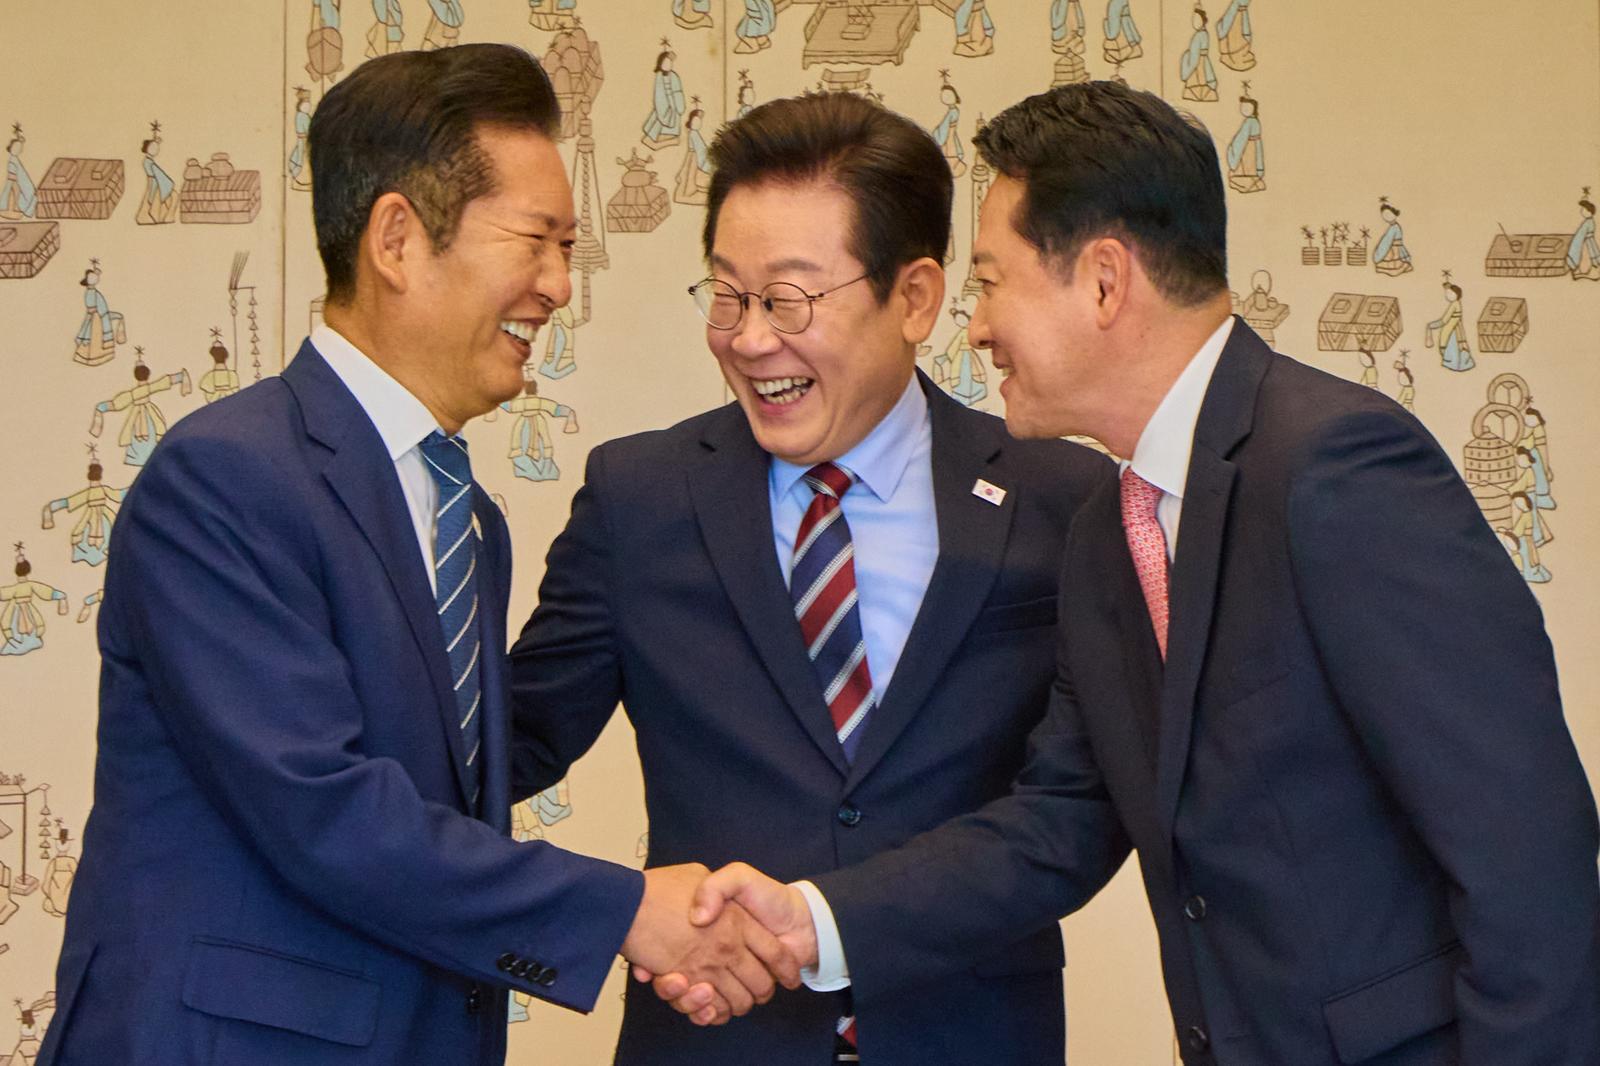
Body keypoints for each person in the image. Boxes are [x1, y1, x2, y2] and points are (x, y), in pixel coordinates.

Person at [667, 81, 1600, 1066]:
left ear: (1105, 282)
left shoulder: (1336, 468)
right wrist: (815, 921)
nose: (975, 329)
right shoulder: (1108, 534)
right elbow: (1060, 816)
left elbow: (1524, 852)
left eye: (992, 282)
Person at [38, 44, 795, 1066]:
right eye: (537, 241)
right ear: (396, 239)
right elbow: (322, 808)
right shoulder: (225, 478)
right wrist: (624, 911)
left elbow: (474, 763)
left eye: (569, 247)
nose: (559, 286)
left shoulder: (467, 517)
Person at [509, 91, 1110, 1066]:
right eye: (727, 295)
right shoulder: (639, 498)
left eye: (788, 300)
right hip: (710, 1041)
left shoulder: (1061, 499)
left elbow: (1078, 807)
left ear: (914, 298)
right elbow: (502, 748)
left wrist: (826, 922)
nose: (750, 340)